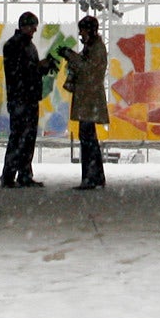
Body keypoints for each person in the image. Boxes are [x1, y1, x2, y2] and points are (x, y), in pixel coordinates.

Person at [54, 14, 110, 189]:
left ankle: (90, 178)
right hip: (88, 98)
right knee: (88, 138)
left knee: (87, 139)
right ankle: (95, 177)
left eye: (83, 30)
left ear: (90, 31)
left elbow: (87, 69)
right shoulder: (92, 47)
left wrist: (70, 55)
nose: (81, 34)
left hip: (89, 98)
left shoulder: (97, 48)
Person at [1, 11, 49, 187]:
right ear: (24, 26)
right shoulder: (15, 46)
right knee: (20, 138)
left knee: (26, 138)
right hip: (21, 98)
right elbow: (19, 73)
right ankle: (11, 175)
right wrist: (39, 67)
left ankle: (22, 174)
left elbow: (25, 71)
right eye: (32, 27)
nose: (34, 30)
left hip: (26, 98)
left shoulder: (26, 45)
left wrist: (39, 68)